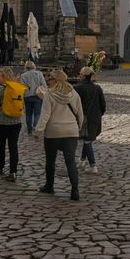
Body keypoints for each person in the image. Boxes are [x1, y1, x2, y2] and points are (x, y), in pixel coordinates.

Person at [34, 69, 84, 201]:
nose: (48, 81)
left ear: (56, 80)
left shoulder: (49, 95)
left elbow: (45, 115)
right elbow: (80, 113)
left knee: (50, 160)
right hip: (71, 131)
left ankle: (49, 186)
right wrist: (78, 126)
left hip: (53, 131)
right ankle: (75, 190)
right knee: (70, 161)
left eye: (50, 78)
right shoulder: (73, 93)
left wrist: (38, 130)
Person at [0, 67, 25, 182]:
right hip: (16, 122)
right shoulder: (17, 87)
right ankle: (13, 172)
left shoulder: (0, 89)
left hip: (1, 122)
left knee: (1, 145)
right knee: (13, 147)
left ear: (4, 77)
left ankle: (0, 167)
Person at [74, 67, 106, 174]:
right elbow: (103, 105)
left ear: (83, 75)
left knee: (87, 141)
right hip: (95, 118)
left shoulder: (77, 88)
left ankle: (93, 166)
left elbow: (74, 106)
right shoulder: (97, 88)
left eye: (80, 74)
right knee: (87, 139)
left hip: (83, 118)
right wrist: (98, 115)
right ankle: (82, 161)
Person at [20, 61, 47, 134]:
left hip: (27, 96)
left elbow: (22, 86)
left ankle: (29, 129)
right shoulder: (39, 74)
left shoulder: (23, 75)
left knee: (28, 114)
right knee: (37, 113)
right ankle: (35, 127)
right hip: (37, 95)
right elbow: (44, 85)